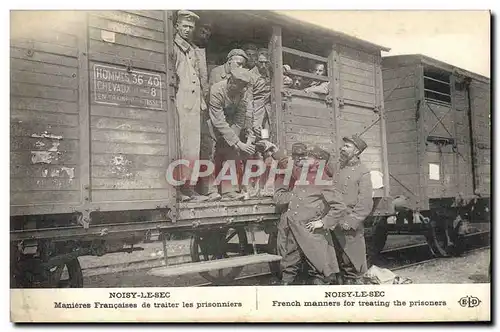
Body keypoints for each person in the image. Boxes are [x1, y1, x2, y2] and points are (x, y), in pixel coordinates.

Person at [267, 142, 347, 285]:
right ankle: (285, 287)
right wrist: (276, 151)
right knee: (289, 261)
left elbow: (339, 207)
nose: (303, 159)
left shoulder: (323, 179)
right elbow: (288, 164)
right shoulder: (302, 172)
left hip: (311, 231)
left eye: (308, 157)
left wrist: (323, 222)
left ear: (318, 161)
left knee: (317, 265)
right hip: (295, 226)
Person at [172, 10, 210, 202]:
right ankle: (178, 188)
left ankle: (190, 187)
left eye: (190, 27)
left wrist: (202, 100)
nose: (187, 30)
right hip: (180, 100)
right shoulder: (173, 47)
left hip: (194, 102)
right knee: (180, 144)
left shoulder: (193, 50)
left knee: (193, 146)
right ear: (177, 26)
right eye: (184, 26)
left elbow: (198, 77)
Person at [203, 67, 256, 200]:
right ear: (231, 82)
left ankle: (229, 191)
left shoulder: (242, 93)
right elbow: (218, 120)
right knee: (209, 152)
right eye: (240, 87)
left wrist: (235, 142)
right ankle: (210, 191)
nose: (242, 91)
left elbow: (239, 118)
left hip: (230, 125)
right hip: (212, 123)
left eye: (244, 87)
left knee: (232, 151)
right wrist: (237, 141)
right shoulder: (216, 90)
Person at [327, 135, 374, 284]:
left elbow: (365, 202)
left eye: (347, 146)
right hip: (334, 222)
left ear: (357, 151)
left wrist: (352, 221)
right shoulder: (338, 167)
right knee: (337, 263)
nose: (342, 148)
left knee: (352, 265)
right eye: (343, 146)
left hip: (349, 225)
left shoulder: (363, 172)